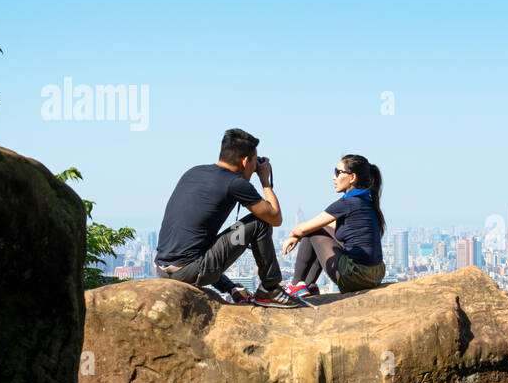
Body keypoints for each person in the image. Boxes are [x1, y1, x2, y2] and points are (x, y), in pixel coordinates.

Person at [154, 128, 301, 308]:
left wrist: (230, 287)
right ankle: (270, 290)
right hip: (188, 272)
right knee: (260, 222)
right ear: (245, 161)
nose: (255, 167)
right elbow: (275, 218)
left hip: (163, 270)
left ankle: (245, 289)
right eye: (255, 162)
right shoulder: (235, 183)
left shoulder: (193, 172)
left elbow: (196, 246)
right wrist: (264, 180)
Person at [282, 155, 386, 296]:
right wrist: (300, 233)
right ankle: (309, 285)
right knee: (318, 230)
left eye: (338, 172)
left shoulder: (347, 203)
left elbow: (303, 228)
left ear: (352, 177)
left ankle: (296, 284)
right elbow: (329, 225)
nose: (334, 177)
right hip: (376, 274)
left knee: (312, 231)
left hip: (355, 277)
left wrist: (294, 235)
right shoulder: (367, 202)